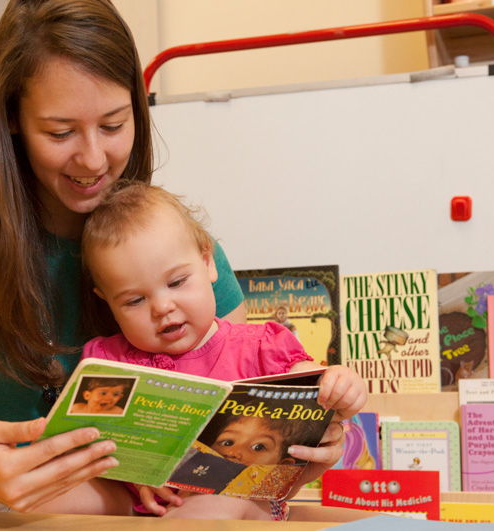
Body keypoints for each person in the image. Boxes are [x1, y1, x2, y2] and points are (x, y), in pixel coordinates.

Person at [0, 0, 260, 515]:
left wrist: (315, 449)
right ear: (12, 119)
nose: (91, 159)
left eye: (113, 124)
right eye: (60, 133)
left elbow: (251, 427)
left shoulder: (173, 249)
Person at [80, 181, 368, 520]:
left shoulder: (261, 346)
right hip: (150, 509)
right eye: (134, 300)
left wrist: (342, 385)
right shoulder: (108, 361)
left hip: (245, 503)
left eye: (176, 282)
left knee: (215, 503)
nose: (162, 307)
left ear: (207, 262)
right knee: (48, 499)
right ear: (108, 302)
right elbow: (92, 443)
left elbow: (311, 385)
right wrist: (135, 473)